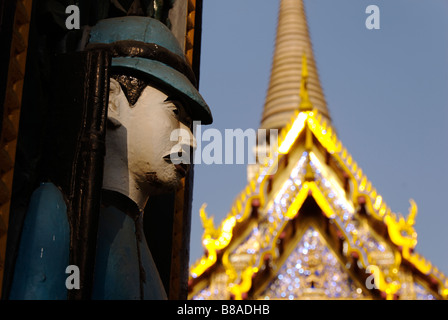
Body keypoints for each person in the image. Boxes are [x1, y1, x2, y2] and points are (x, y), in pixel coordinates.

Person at [9, 16, 212, 300]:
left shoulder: (143, 246)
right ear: (112, 101)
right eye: (175, 113)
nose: (190, 140)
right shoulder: (56, 210)